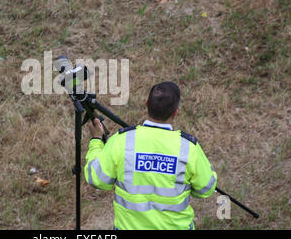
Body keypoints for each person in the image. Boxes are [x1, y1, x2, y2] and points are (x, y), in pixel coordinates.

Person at [84, 81, 217, 230]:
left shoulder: (121, 141)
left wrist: (96, 141)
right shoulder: (189, 148)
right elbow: (206, 188)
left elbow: (96, 178)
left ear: (147, 104)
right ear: (175, 112)